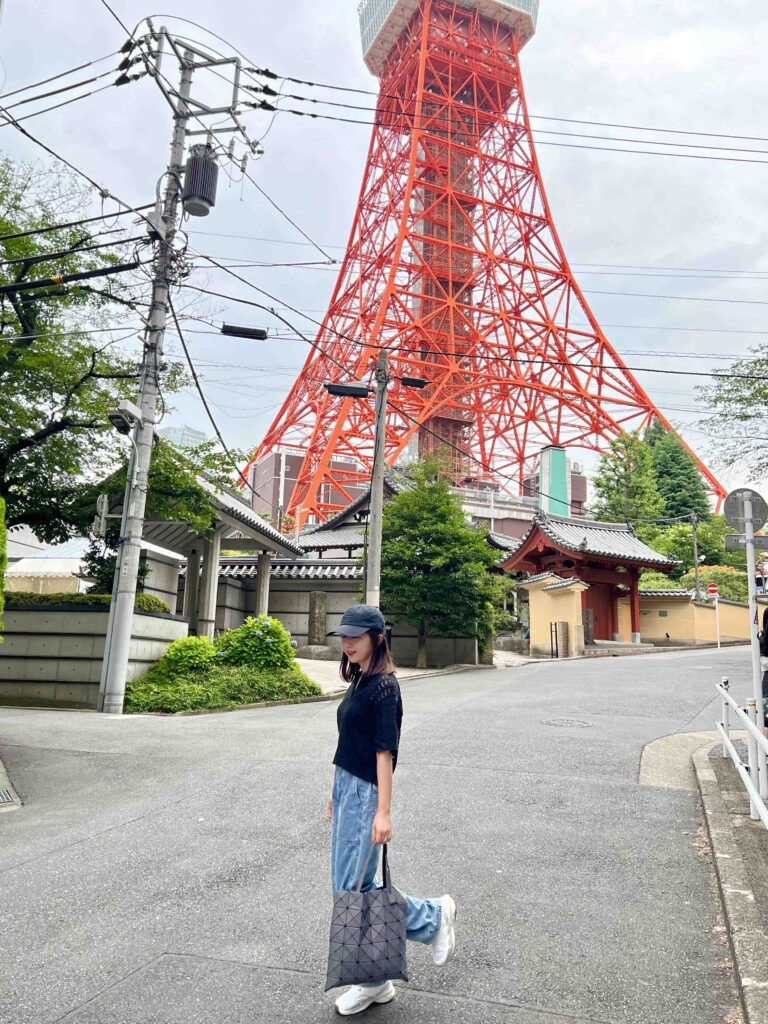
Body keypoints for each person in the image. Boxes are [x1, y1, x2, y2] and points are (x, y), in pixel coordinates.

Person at [326, 604, 457, 1016]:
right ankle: (376, 981)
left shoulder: (385, 687)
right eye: (344, 636)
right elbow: (350, 742)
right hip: (348, 788)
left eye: (356, 636)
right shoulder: (361, 679)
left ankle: (433, 918)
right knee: (358, 889)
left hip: (367, 793)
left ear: (377, 638)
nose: (347, 643)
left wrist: (384, 811)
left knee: (350, 891)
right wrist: (335, 792)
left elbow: (385, 751)